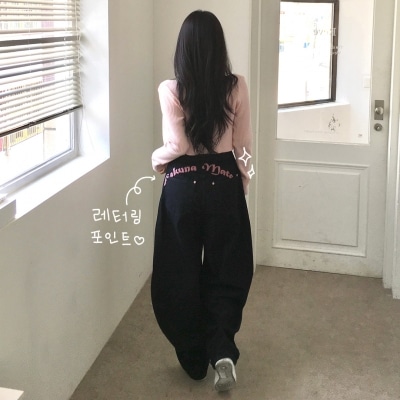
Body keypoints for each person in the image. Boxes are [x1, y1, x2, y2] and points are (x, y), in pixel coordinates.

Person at [151, 10, 254, 392]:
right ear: (218, 47)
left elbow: (177, 145)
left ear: (183, 49)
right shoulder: (236, 85)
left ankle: (193, 356)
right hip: (223, 182)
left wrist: (156, 159)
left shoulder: (170, 89)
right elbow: (242, 146)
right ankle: (222, 350)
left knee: (177, 269)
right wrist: (242, 183)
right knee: (228, 267)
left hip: (181, 184)